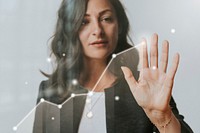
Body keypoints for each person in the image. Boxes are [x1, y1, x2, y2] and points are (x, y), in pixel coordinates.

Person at [33, 0, 193, 132]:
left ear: (119, 25)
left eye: (106, 19)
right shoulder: (50, 91)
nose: (97, 30)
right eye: (84, 21)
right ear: (70, 30)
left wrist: (163, 117)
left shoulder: (144, 86)